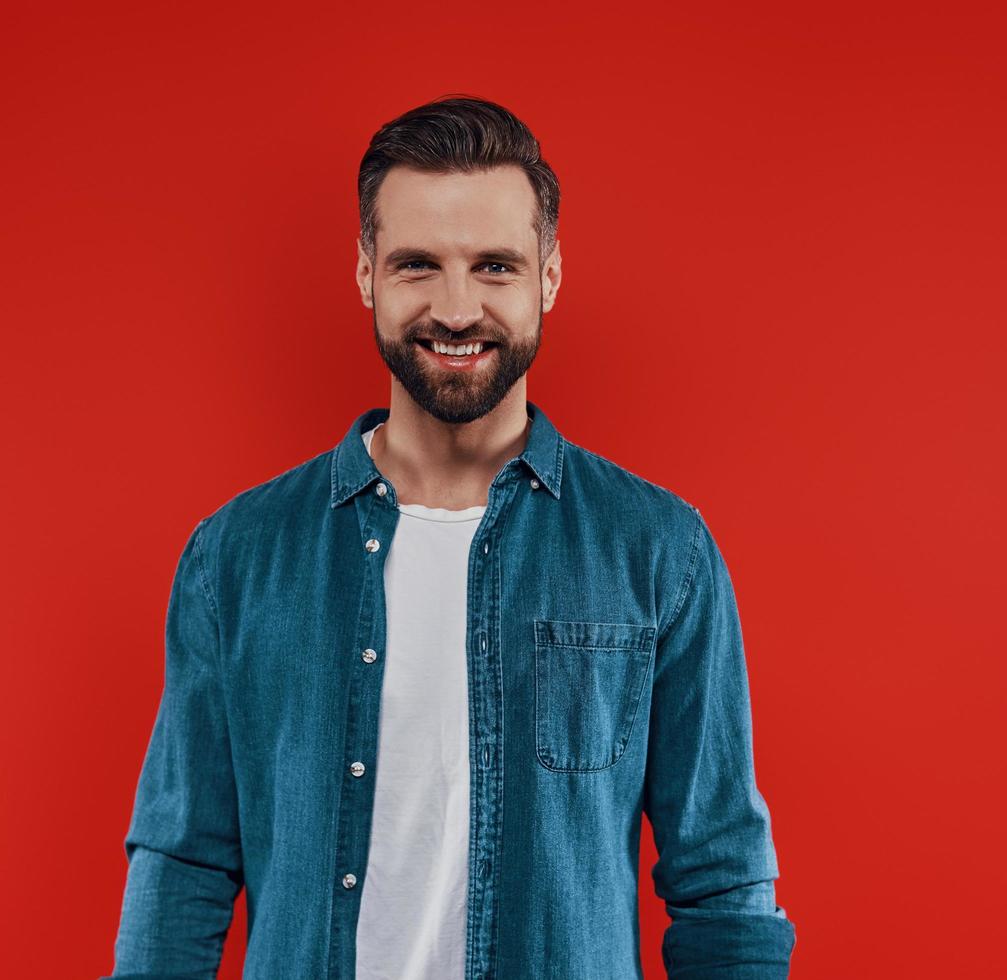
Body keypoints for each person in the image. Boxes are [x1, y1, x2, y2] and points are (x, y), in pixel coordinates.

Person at [105, 95, 797, 979]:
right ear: (366, 274)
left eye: (496, 266)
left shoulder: (659, 551)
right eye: (418, 264)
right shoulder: (235, 558)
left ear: (548, 276)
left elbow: (719, 879)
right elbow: (184, 863)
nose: (457, 308)